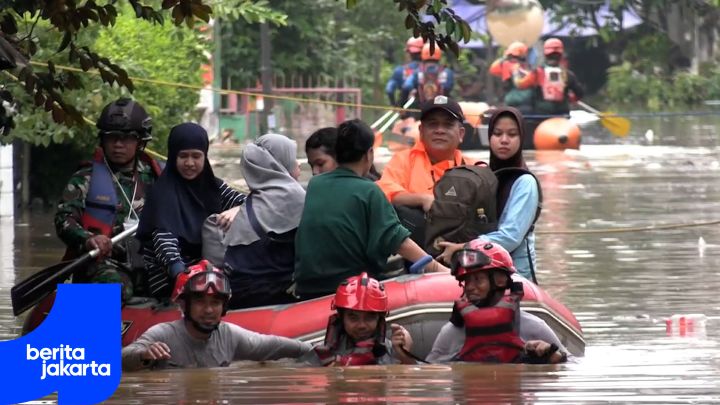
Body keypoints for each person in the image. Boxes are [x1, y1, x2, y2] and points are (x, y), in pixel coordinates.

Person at [293, 119, 449, 300]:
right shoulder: (369, 190)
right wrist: (439, 269)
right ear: (369, 154)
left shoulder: (315, 184)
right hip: (347, 287)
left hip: (307, 287)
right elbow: (398, 240)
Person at [55, 98, 162, 302]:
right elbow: (64, 218)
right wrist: (87, 238)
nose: (118, 145)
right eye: (111, 138)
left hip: (149, 263)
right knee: (109, 283)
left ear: (140, 141)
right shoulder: (85, 178)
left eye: (126, 138)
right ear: (102, 140)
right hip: (105, 263)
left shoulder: (158, 176)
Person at [122, 260, 313, 370]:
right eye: (200, 302)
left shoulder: (230, 335)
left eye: (215, 303)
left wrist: (319, 352)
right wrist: (143, 354)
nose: (208, 310)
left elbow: (275, 345)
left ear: (224, 307)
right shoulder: (163, 334)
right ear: (184, 304)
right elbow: (121, 358)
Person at [137, 122, 246, 299]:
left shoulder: (212, 186)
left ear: (205, 157)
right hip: (171, 276)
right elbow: (163, 239)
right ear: (173, 157)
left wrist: (239, 209)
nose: (189, 163)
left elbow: (251, 202)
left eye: (196, 156)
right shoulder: (163, 193)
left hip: (209, 271)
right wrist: (181, 272)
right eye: (183, 156)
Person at [438, 107, 541, 281]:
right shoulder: (484, 176)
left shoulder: (525, 183)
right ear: (489, 136)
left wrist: (463, 247)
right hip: (481, 273)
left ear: (522, 138)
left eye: (512, 134)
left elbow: (510, 237)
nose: (504, 140)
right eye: (498, 133)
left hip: (515, 275)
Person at [426, 241, 569, 364]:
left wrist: (553, 357)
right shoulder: (452, 332)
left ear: (500, 280)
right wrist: (404, 352)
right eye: (467, 280)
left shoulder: (534, 327)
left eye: (477, 280)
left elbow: (571, 364)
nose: (469, 287)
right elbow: (430, 371)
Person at [376, 96, 474, 244]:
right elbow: (384, 190)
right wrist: (422, 199)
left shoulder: (473, 168)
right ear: (421, 131)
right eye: (433, 124)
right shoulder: (403, 160)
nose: (439, 130)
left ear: (461, 134)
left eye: (447, 125)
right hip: (414, 250)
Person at [222, 134, 303, 309]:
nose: (299, 164)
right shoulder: (293, 195)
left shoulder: (255, 199)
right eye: (293, 158)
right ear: (277, 163)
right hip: (265, 292)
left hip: (237, 288)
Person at [301, 273, 416, 366]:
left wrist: (405, 356)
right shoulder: (323, 353)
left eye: (369, 318)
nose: (362, 325)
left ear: (379, 319)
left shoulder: (391, 351)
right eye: (353, 317)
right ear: (341, 318)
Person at [532, 38, 584, 116]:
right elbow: (579, 93)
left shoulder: (537, 72)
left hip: (541, 115)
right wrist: (570, 99)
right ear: (561, 55)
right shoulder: (567, 74)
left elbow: (530, 94)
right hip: (562, 114)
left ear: (545, 54)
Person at [305, 126, 381, 180]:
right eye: (311, 166)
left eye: (320, 164)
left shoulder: (370, 190)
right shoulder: (317, 190)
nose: (314, 172)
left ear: (341, 159)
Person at [489, 41, 535, 114]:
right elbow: (493, 70)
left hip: (520, 102)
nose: (513, 59)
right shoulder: (508, 65)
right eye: (511, 56)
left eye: (514, 56)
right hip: (516, 102)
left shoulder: (525, 67)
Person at [385, 37, 424, 107]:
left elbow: (389, 90)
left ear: (409, 53)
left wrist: (394, 104)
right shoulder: (431, 72)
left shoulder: (399, 70)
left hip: (405, 109)